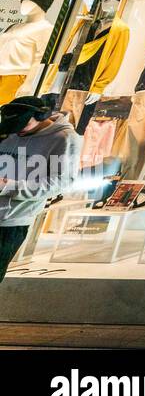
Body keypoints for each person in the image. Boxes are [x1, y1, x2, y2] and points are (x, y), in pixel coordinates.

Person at [0, 96, 81, 282]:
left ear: (42, 115)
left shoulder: (64, 138)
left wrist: (8, 186)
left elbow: (60, 182)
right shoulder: (9, 131)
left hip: (11, 222)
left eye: (23, 125)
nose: (17, 131)